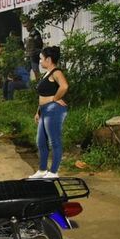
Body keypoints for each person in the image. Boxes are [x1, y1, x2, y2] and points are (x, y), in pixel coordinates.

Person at [29, 46, 69, 179]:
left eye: (41, 59)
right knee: (40, 141)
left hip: (54, 110)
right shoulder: (46, 73)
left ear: (49, 59)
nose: (40, 61)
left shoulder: (56, 72)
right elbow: (43, 94)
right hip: (44, 111)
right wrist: (38, 111)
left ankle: (53, 172)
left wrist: (55, 98)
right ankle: (42, 170)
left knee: (54, 141)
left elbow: (64, 86)